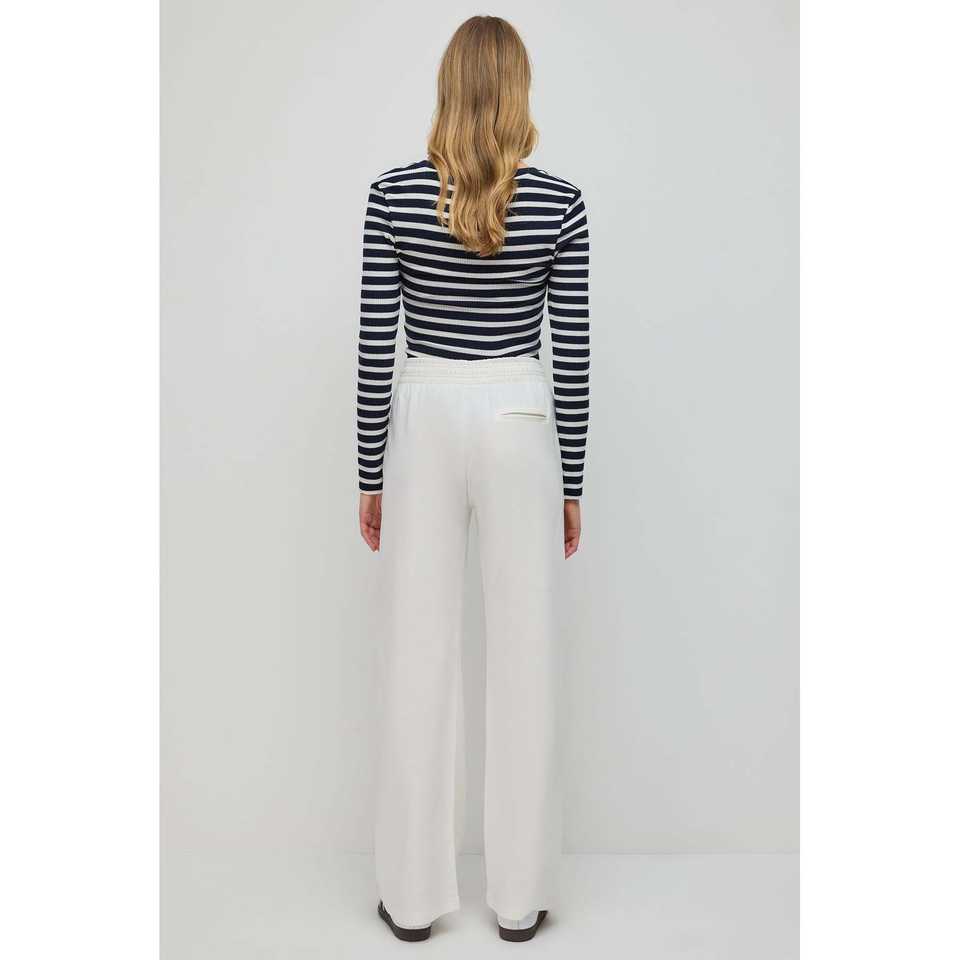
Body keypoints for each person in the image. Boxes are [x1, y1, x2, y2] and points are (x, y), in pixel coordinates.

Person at [356, 15, 589, 944]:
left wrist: (368, 471)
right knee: (525, 655)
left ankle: (412, 899)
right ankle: (519, 899)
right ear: (518, 89)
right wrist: (572, 482)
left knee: (417, 652)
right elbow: (569, 352)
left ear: (448, 86)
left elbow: (377, 343)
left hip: (424, 416)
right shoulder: (560, 202)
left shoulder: (391, 196)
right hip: (521, 419)